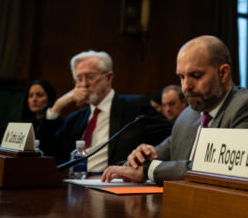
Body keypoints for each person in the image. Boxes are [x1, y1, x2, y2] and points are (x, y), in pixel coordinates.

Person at [101, 35, 248, 184]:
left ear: (223, 73)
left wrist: (148, 170)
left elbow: (221, 169)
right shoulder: (188, 115)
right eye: (182, 77)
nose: (186, 87)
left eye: (196, 76)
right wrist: (137, 160)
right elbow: (159, 157)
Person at [36, 50, 171, 171]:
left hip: (114, 185)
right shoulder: (75, 119)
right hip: (74, 184)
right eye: (79, 78)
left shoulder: (135, 106)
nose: (84, 84)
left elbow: (172, 134)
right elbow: (45, 151)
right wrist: (57, 107)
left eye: (90, 77)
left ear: (108, 78)